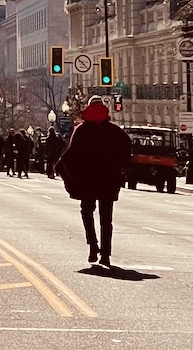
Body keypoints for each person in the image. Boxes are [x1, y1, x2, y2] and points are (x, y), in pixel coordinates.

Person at [58, 96, 132, 268]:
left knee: (87, 212)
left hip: (87, 180)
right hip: (108, 180)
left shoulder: (82, 130)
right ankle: (105, 254)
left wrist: (64, 170)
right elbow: (127, 151)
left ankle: (93, 246)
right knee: (106, 219)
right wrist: (122, 171)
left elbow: (71, 155)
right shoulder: (115, 131)